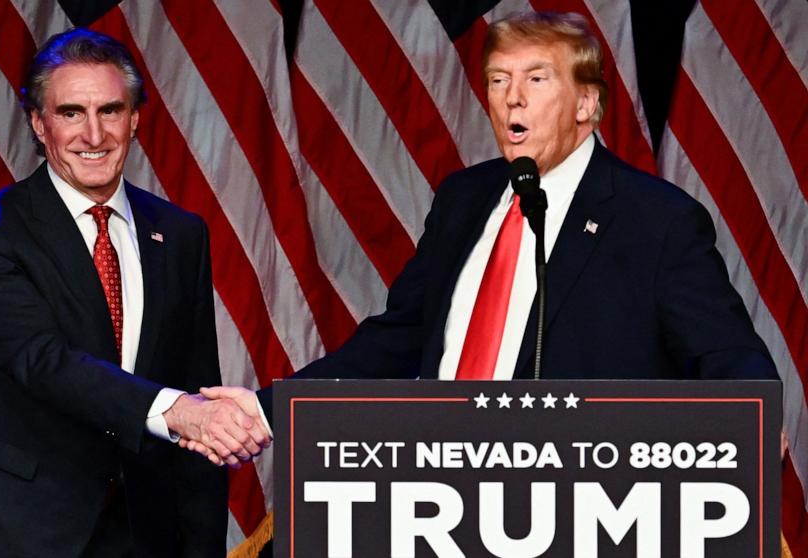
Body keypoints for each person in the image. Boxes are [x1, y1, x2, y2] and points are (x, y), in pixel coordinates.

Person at [187, 11, 777, 460]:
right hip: (442, 488)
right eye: (498, 80)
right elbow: (400, 338)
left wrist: (755, 410)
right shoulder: (464, 199)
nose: (511, 97)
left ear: (587, 104)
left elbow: (725, 350)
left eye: (536, 79)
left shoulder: (655, 219)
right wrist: (270, 411)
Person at [0, 29, 268, 557]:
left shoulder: (180, 232)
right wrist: (179, 412)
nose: (93, 134)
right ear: (39, 123)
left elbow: (196, 383)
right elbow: (40, 360)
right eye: (71, 112)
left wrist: (203, 543)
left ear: (135, 119)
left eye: (111, 110)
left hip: (138, 534)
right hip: (9, 529)